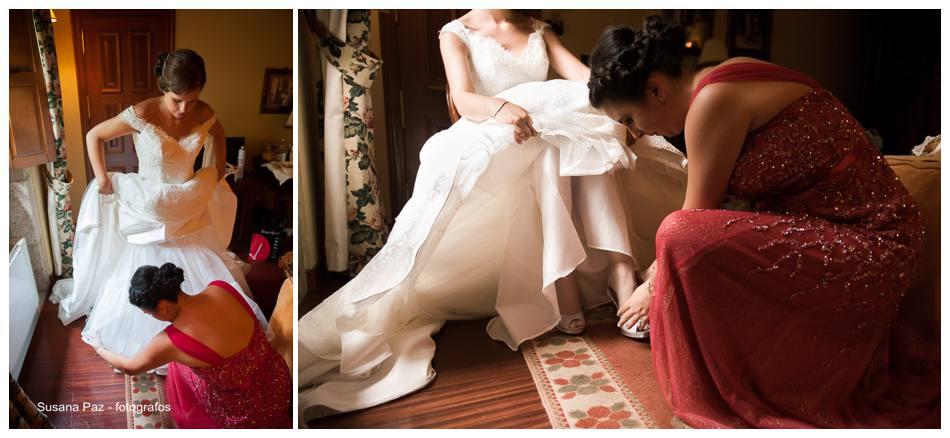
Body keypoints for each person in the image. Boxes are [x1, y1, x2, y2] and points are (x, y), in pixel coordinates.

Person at [298, 10, 686, 420]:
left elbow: (585, 82)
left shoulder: (539, 30)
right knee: (553, 141)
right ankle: (567, 283)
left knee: (581, 126)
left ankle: (618, 273)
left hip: (547, 129)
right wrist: (501, 108)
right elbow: (464, 98)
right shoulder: (455, 33)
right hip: (498, 125)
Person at [587, 15, 938, 427]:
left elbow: (693, 217)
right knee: (684, 243)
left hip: (872, 244)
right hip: (871, 234)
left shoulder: (711, 101)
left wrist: (653, 286)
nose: (638, 133)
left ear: (655, 89)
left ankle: (739, 377)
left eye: (629, 119)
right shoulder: (726, 75)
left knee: (676, 233)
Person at [53, 49, 265, 369]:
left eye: (191, 101)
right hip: (149, 205)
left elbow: (218, 135)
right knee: (141, 270)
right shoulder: (141, 112)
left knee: (198, 270)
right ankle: (151, 339)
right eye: (176, 100)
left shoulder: (206, 113)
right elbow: (94, 135)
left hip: (185, 204)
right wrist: (101, 177)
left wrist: (214, 171)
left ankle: (199, 332)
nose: (183, 109)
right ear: (164, 88)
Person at [96, 263, 291, 428]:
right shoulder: (220, 287)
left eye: (150, 314)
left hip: (247, 411)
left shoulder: (168, 342)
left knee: (177, 364)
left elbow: (128, 367)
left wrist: (99, 348)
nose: (153, 318)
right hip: (279, 383)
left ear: (162, 307)